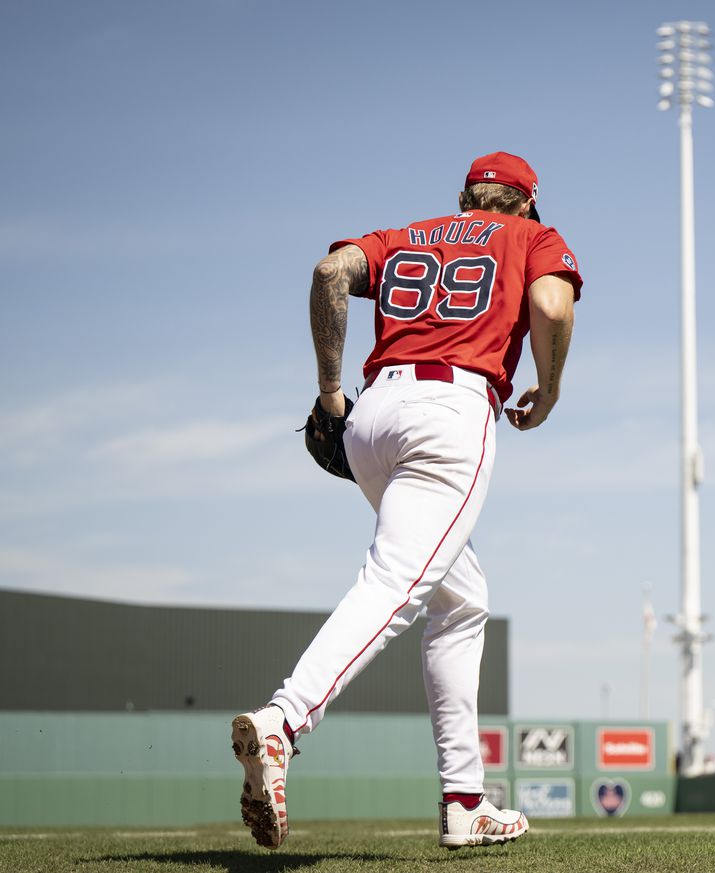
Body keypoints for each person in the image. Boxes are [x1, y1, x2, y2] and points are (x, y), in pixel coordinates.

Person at [229, 152, 582, 851]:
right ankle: (284, 721)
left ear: (463, 198)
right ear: (527, 206)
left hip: (372, 416)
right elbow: (549, 304)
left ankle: (464, 801)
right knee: (396, 582)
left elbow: (331, 272)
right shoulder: (532, 237)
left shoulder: (413, 234)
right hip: (451, 410)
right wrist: (551, 386)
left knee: (461, 600)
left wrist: (333, 393)